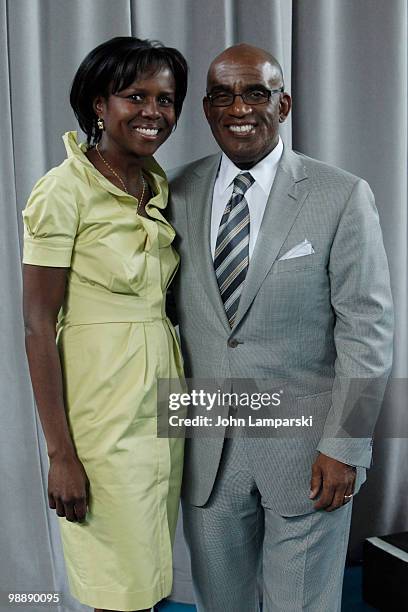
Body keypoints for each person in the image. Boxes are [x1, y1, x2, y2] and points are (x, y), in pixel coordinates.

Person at [168, 44, 393, 611]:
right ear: (206, 108)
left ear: (284, 104)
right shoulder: (173, 192)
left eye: (256, 93)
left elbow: (367, 328)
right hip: (204, 452)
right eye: (223, 94)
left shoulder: (341, 194)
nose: (238, 107)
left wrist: (346, 445)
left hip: (309, 451)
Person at [22, 36, 187, 612]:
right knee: (118, 582)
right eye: (134, 96)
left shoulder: (156, 185)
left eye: (166, 100)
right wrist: (60, 454)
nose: (153, 112)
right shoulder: (63, 190)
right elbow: (38, 325)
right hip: (100, 403)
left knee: (151, 569)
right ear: (99, 104)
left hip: (162, 394)